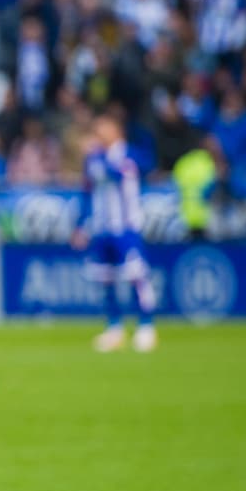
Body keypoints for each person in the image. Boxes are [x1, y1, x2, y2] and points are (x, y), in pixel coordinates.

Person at [72, 114, 158, 353]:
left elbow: (124, 174)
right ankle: (114, 328)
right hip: (101, 228)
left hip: (126, 227)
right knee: (105, 278)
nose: (99, 134)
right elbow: (86, 192)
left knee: (135, 275)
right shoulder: (93, 159)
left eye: (103, 129)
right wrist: (81, 225)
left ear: (116, 130)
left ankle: (146, 326)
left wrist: (98, 158)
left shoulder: (127, 154)